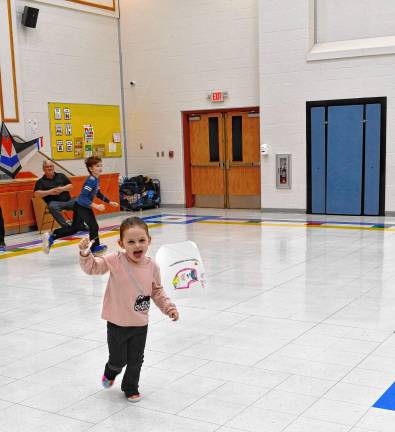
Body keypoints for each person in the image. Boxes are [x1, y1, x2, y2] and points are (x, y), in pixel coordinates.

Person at [79, 216, 179, 402]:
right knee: (118, 360)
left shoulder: (152, 266)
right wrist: (86, 254)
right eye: (130, 242)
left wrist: (168, 307)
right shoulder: (115, 260)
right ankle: (110, 371)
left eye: (141, 240)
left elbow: (157, 291)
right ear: (121, 243)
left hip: (140, 323)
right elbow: (93, 268)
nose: (137, 245)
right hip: (116, 322)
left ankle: (130, 387)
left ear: (149, 240)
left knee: (136, 359)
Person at [74, 156, 118, 256]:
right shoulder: (91, 180)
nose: (100, 168)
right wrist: (96, 206)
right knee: (93, 226)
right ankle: (94, 249)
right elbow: (83, 197)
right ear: (91, 169)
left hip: (84, 206)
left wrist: (109, 202)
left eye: (101, 165)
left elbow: (98, 194)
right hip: (81, 206)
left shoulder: (96, 179)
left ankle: (95, 248)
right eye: (97, 166)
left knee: (74, 228)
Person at [34, 160, 76, 228]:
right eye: (47, 167)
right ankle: (66, 227)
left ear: (53, 167)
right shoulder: (40, 181)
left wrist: (62, 189)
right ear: (43, 169)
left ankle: (79, 224)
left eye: (51, 166)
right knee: (52, 207)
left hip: (68, 201)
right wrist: (50, 192)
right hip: (55, 203)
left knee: (81, 201)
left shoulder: (61, 175)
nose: (49, 168)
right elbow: (36, 194)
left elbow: (71, 186)